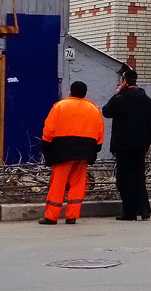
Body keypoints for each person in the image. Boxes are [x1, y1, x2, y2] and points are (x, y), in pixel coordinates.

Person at [39, 81, 104, 225]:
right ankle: (72, 216)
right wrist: (94, 148)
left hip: (62, 151)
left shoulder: (60, 106)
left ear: (70, 92)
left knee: (58, 184)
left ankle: (51, 216)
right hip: (84, 153)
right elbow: (100, 134)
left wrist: (45, 146)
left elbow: (49, 130)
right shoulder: (94, 109)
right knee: (78, 184)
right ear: (85, 93)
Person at [101, 68, 151, 221]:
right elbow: (149, 123)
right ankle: (144, 210)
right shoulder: (146, 99)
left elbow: (106, 111)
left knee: (124, 179)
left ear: (124, 81)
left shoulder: (121, 99)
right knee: (139, 176)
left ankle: (129, 212)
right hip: (141, 145)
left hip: (124, 145)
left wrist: (117, 93)